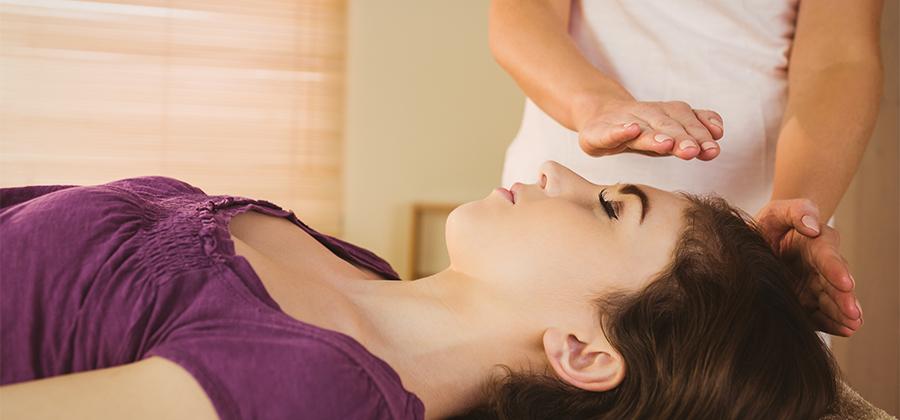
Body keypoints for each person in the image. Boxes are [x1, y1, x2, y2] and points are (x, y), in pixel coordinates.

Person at [1, 161, 841, 419]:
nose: (560, 167)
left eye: (612, 206)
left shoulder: (314, 392)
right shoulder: (364, 273)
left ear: (583, 351)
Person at [488, 0, 883, 337]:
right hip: (561, 206)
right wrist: (595, 106)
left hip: (755, 245)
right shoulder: (542, 196)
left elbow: (840, 58)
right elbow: (525, 10)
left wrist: (798, 211)